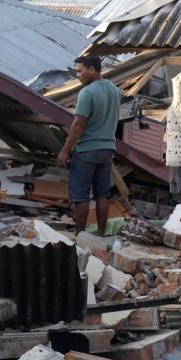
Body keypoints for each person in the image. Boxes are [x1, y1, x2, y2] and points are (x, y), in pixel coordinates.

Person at [56, 55, 121, 235]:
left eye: (80, 70)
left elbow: (78, 124)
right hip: (107, 150)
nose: (78, 75)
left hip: (87, 150)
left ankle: (80, 235)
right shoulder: (114, 89)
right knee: (102, 194)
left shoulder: (87, 92)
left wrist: (64, 151)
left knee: (81, 195)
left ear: (92, 69)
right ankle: (100, 234)